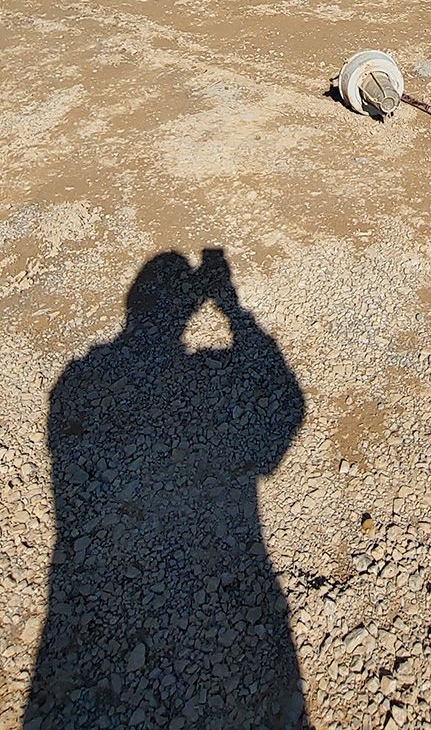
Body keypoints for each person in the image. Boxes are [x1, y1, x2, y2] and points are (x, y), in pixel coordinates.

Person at [25, 249, 307, 730]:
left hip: (77, 607)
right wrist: (232, 307)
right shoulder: (79, 383)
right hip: (245, 571)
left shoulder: (74, 382)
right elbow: (286, 419)